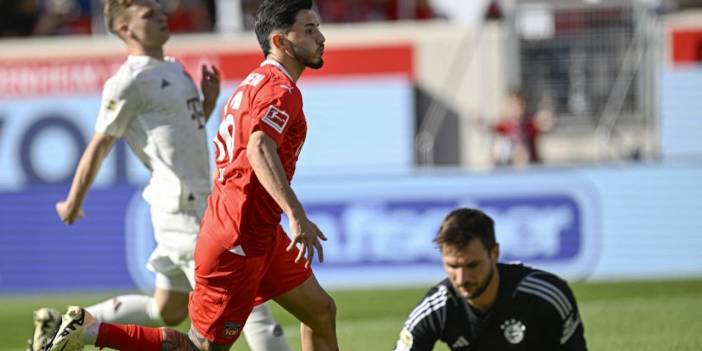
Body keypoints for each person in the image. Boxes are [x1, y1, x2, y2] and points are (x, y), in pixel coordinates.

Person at [43, 0, 338, 350]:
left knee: (320, 312)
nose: (321, 38)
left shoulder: (252, 82)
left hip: (256, 230)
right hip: (236, 239)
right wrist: (296, 213)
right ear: (280, 41)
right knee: (199, 346)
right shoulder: (279, 90)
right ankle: (90, 331)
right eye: (309, 29)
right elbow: (259, 148)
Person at [394, 208, 587, 351]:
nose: (461, 279)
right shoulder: (437, 309)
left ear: (494, 253)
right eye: (452, 266)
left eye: (472, 265)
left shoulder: (547, 297)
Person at [490, 89, 554, 168]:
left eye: (515, 105)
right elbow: (487, 127)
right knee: (498, 144)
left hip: (531, 168)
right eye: (510, 105)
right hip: (507, 166)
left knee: (521, 151)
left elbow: (546, 126)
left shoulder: (528, 125)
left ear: (522, 107)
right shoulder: (502, 126)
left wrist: (545, 119)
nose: (512, 109)